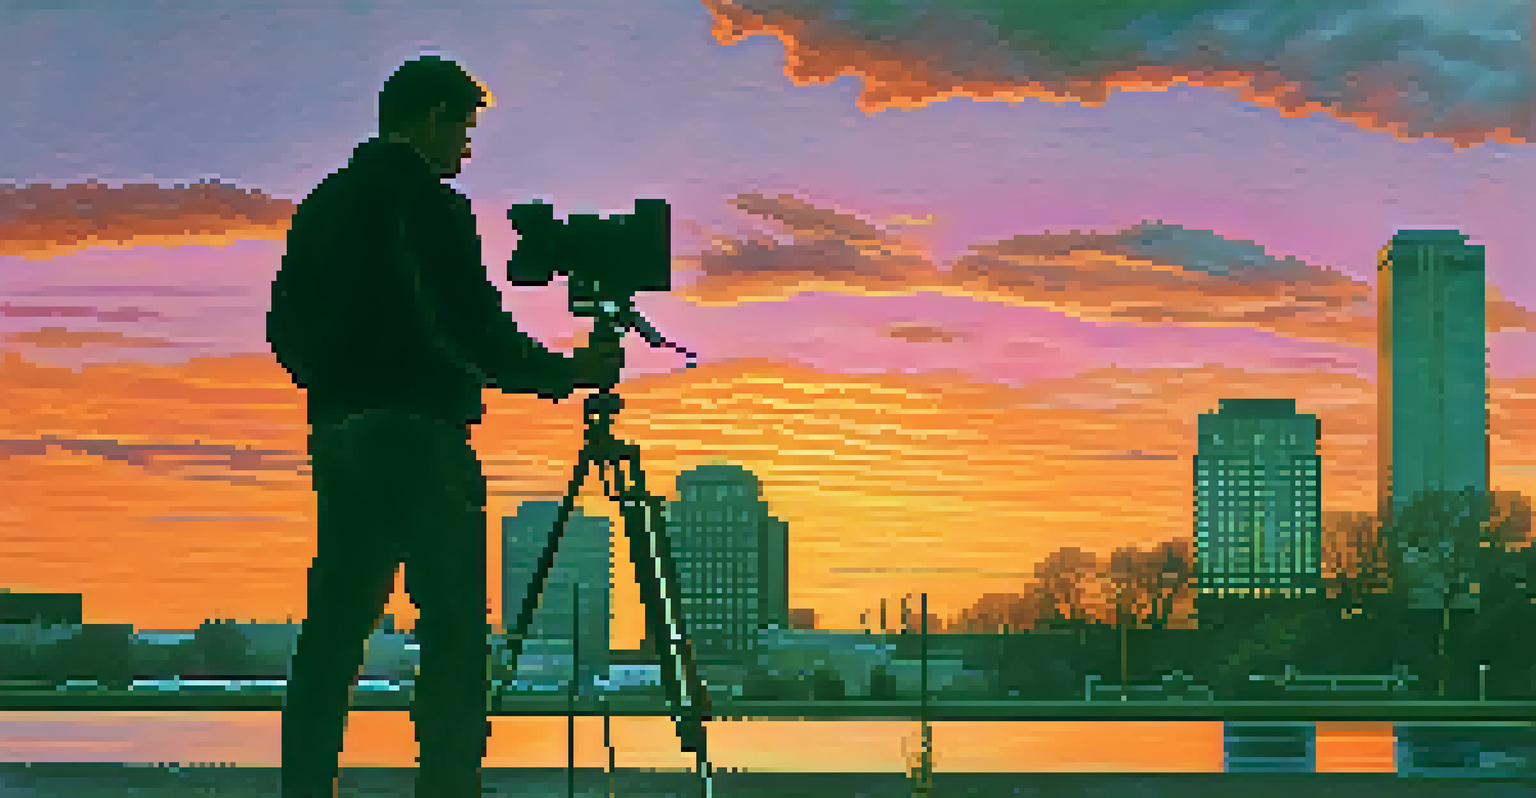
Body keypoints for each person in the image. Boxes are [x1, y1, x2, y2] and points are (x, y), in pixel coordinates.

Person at [266, 54, 622, 798]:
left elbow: (282, 328)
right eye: (462, 128)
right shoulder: (428, 204)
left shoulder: (324, 203)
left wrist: (336, 385)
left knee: (334, 628)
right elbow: (474, 330)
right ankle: (448, 786)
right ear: (430, 116)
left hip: (340, 436)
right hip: (421, 436)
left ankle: (302, 786)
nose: (465, 147)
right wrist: (567, 372)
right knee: (454, 630)